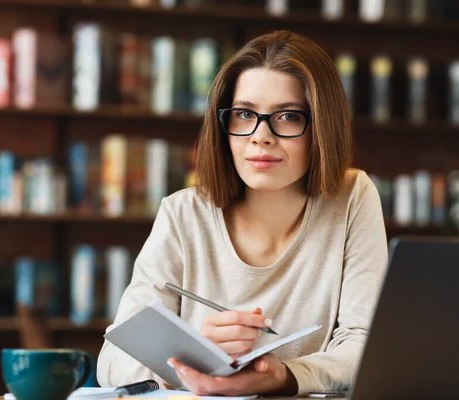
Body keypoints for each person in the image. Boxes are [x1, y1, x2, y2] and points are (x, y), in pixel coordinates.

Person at [97, 30, 388, 397]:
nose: (260, 137)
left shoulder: (352, 197)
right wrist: (196, 354)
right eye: (243, 114)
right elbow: (111, 361)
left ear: (321, 127)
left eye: (287, 116)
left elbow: (365, 345)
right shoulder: (182, 213)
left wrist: (284, 376)